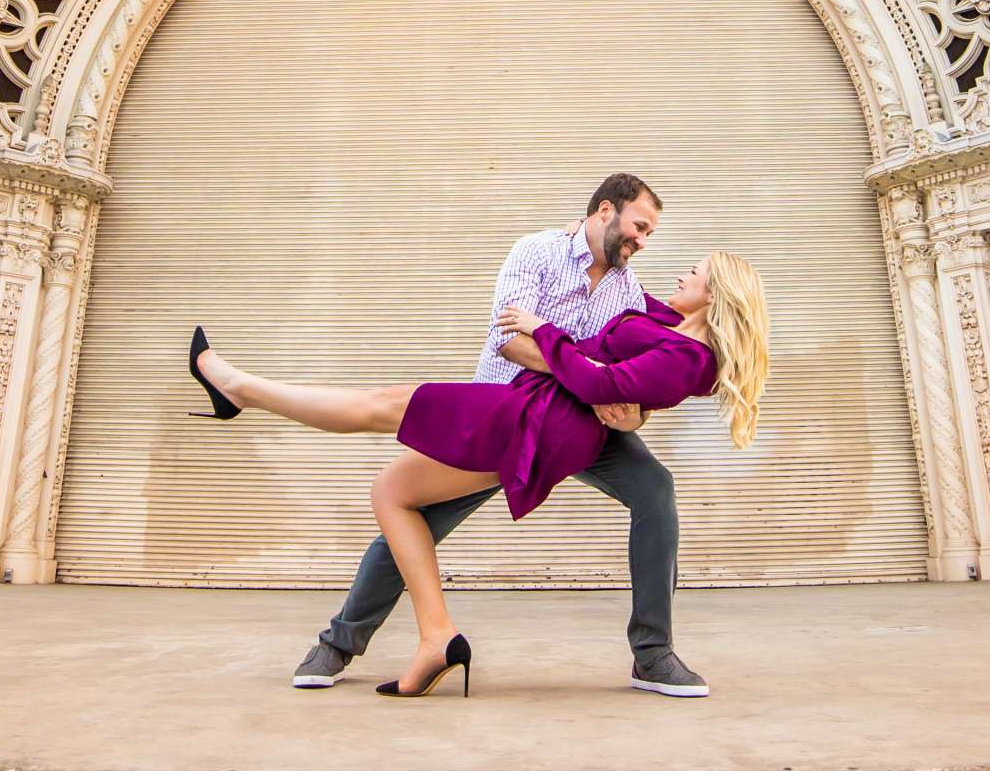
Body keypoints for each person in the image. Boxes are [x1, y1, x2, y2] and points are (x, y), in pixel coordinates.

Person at [189, 237, 769, 700]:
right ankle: (350, 642)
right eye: (639, 227)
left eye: (693, 269)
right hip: (526, 399)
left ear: (716, 293)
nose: (651, 248)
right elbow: (513, 342)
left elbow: (607, 380)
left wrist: (589, 373)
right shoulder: (568, 268)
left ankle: (651, 652)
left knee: (384, 432)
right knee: (401, 493)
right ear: (604, 213)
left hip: (542, 422)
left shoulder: (680, 346)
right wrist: (588, 372)